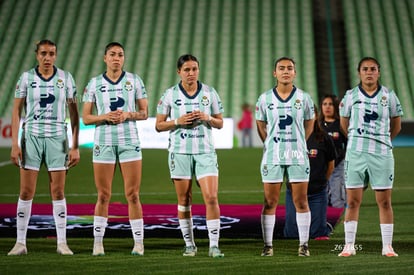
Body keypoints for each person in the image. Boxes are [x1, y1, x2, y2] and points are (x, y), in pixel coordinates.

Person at [8, 39, 80, 256]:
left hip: (57, 138)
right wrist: (14, 143)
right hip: (31, 137)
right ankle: (20, 243)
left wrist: (75, 145)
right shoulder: (26, 78)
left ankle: (61, 243)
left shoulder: (65, 78)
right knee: (26, 190)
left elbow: (75, 114)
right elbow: (16, 111)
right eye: (43, 54)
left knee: (58, 191)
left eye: (51, 53)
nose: (47, 58)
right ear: (36, 55)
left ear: (56, 55)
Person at [82, 42, 148, 256]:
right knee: (103, 195)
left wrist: (129, 114)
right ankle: (98, 243)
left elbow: (144, 112)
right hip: (104, 142)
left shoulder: (134, 80)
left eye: (120, 54)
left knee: (133, 194)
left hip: (129, 141)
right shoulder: (94, 84)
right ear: (105, 58)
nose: (116, 58)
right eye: (112, 54)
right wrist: (104, 116)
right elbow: (86, 117)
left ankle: (138, 243)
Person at [155, 54, 225, 258]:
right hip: (180, 151)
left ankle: (214, 246)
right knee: (184, 200)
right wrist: (178, 121)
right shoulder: (170, 94)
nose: (191, 73)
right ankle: (189, 244)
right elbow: (158, 125)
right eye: (187, 70)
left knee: (211, 197)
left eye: (194, 69)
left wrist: (207, 117)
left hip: (205, 151)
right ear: (179, 72)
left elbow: (220, 123)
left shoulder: (209, 92)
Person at [338, 57, 403, 257]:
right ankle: (349, 245)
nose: (369, 72)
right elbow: (344, 123)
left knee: (384, 201)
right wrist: (357, 140)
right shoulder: (350, 96)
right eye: (365, 69)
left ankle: (387, 246)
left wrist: (383, 141)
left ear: (378, 72)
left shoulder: (389, 96)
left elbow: (397, 124)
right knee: (353, 201)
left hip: (382, 154)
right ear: (359, 72)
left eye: (373, 69)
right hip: (356, 153)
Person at [255, 57, 315, 257]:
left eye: (290, 68)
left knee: (301, 201)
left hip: (298, 154)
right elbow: (260, 124)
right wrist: (270, 143)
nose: (286, 71)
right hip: (273, 155)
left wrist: (300, 142)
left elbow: (310, 123)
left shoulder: (304, 98)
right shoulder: (264, 99)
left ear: (295, 73)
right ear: (275, 73)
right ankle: (268, 245)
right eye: (281, 68)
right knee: (270, 201)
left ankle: (304, 244)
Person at [284, 106, 336, 240]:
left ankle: (323, 226)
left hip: (317, 193)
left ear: (316, 116)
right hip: (294, 192)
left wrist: (322, 182)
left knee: (317, 235)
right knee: (291, 235)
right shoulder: (289, 138)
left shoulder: (324, 138)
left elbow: (331, 164)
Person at [319, 95, 347, 208]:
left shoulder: (341, 124)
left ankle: (338, 221)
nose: (327, 107)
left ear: (335, 107)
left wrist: (340, 157)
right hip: (321, 167)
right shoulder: (318, 125)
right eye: (325, 104)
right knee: (322, 196)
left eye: (330, 104)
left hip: (338, 165)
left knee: (337, 197)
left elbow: (348, 143)